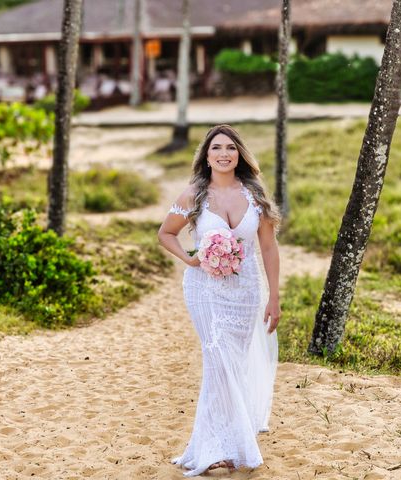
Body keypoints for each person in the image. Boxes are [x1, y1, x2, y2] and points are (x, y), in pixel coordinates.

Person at [158, 124, 281, 476]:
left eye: (230, 148)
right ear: (207, 156)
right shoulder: (194, 195)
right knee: (218, 363)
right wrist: (191, 258)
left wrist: (274, 297)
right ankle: (212, 450)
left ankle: (224, 443)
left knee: (234, 366)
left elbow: (269, 248)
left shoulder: (255, 196)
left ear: (239, 154)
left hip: (246, 292)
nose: (224, 154)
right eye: (217, 148)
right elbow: (166, 233)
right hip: (204, 290)